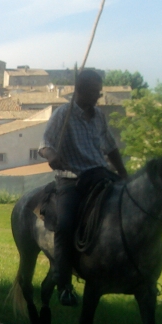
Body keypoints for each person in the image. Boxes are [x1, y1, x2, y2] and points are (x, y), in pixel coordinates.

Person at [39, 69, 128, 307]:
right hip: (72, 179)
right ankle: (63, 283)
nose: (99, 96)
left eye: (100, 91)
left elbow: (110, 147)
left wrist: (123, 174)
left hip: (100, 174)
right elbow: (44, 144)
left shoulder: (98, 115)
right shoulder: (62, 114)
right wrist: (52, 155)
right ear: (79, 90)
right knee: (66, 225)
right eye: (94, 92)